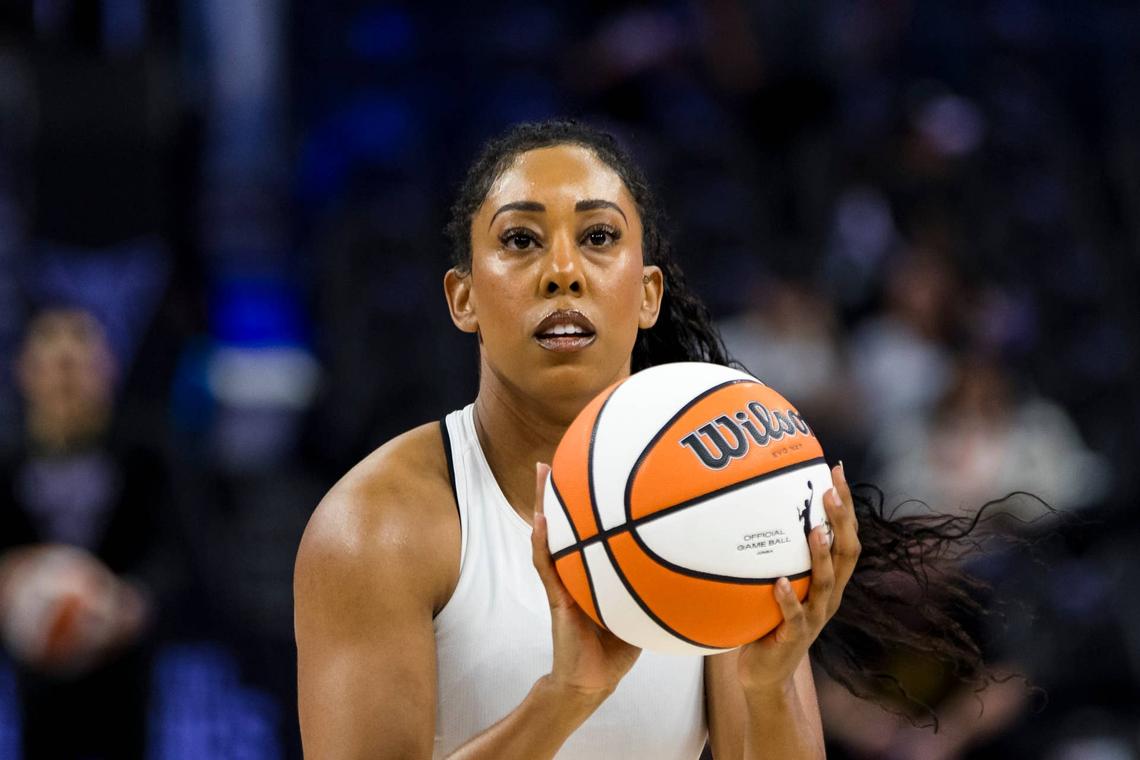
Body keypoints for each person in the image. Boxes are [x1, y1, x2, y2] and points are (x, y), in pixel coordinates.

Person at [294, 120, 993, 759]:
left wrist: (768, 682)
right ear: (464, 297)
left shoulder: (723, 498)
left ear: (649, 292)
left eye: (598, 237)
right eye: (519, 240)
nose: (562, 271)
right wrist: (563, 700)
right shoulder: (376, 527)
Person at [0, 306, 176, 759]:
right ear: (25, 372)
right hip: (33, 680)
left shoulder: (147, 456)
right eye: (55, 365)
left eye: (78, 364)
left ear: (107, 371)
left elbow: (179, 554)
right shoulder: (5, 463)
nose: (66, 379)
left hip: (124, 673)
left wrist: (134, 601)